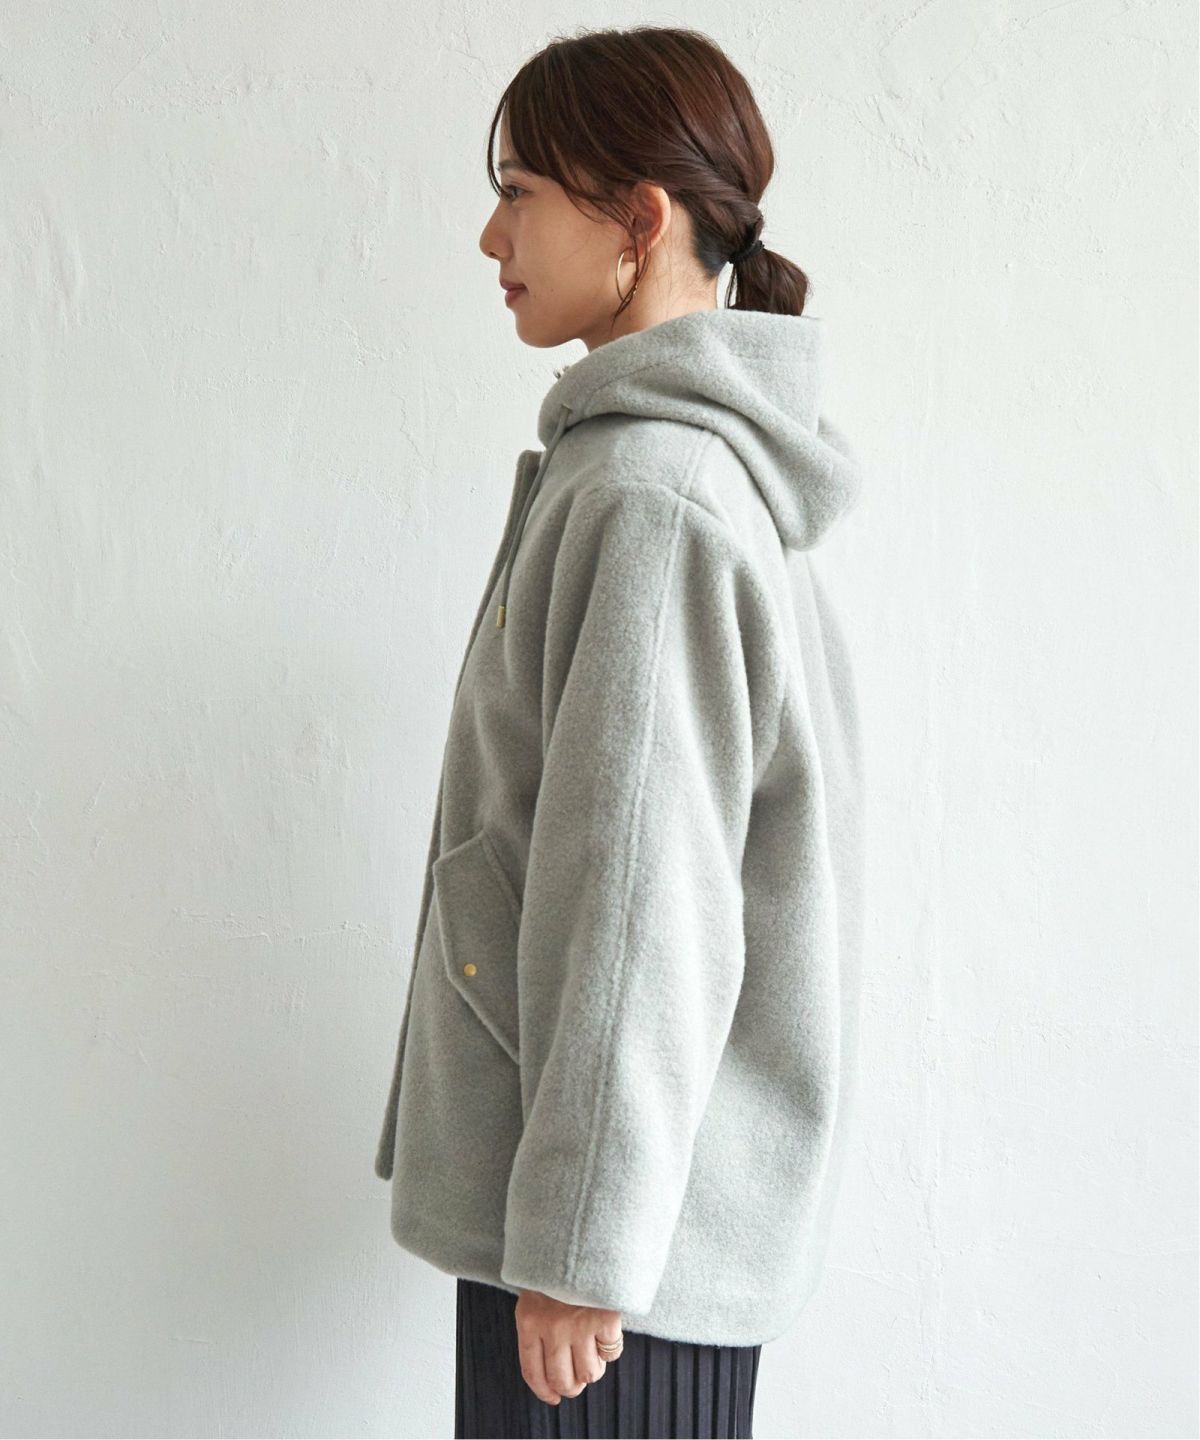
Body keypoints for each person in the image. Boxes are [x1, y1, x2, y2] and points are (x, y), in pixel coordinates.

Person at [374, 25, 867, 1440]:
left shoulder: (655, 497)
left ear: (639, 219)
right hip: (611, 1233)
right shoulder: (664, 476)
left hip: (610, 1267)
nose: (492, 234)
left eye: (519, 191)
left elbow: (645, 899)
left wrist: (582, 1245)